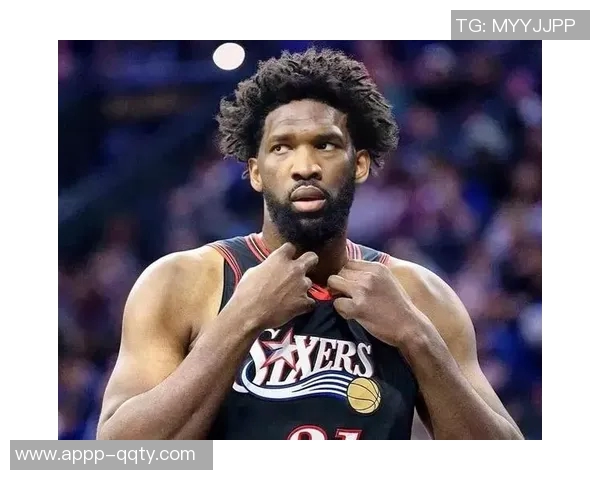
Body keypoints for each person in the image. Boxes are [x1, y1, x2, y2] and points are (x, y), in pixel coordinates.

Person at [96, 47, 523, 440]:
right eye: (282, 147)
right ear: (256, 172)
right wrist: (241, 319)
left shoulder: (420, 297)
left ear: (359, 164)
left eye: (325, 145)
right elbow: (116, 455)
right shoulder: (181, 282)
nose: (305, 166)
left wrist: (416, 337)